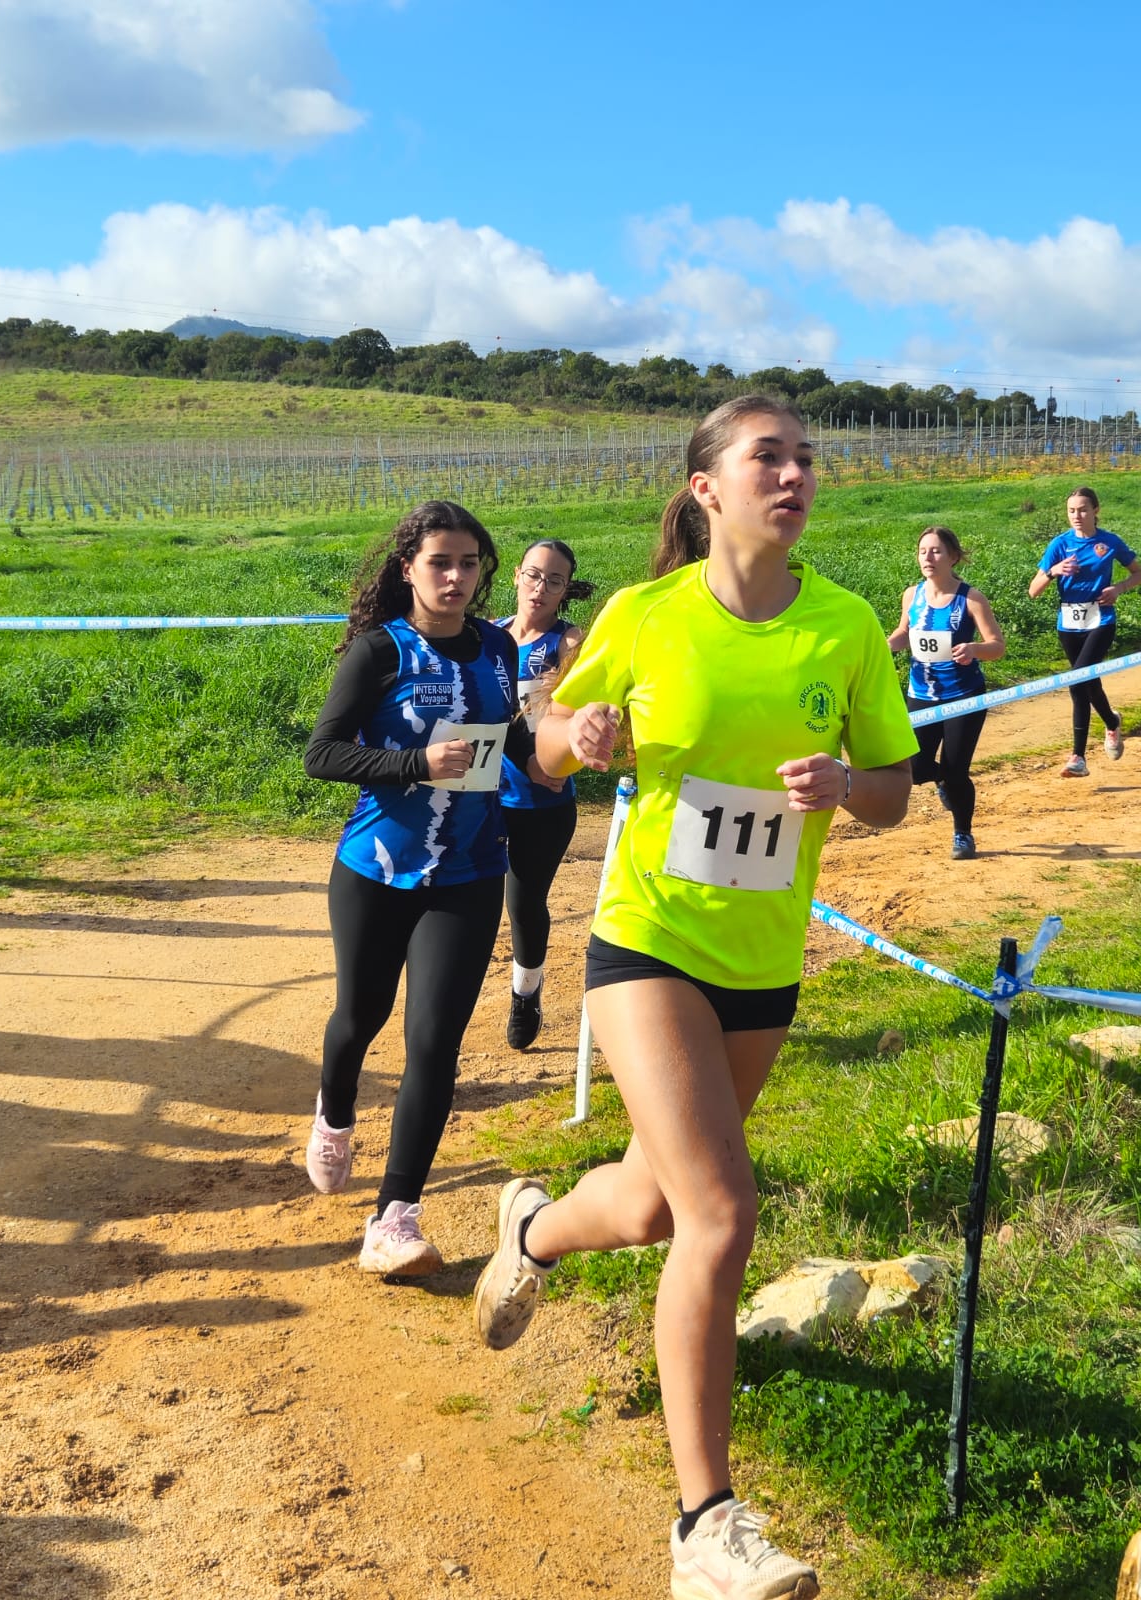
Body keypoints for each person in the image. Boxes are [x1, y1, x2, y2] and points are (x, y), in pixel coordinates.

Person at [472, 397, 917, 1600]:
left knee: (660, 1207)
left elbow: (898, 792)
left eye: (806, 459)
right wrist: (584, 730)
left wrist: (845, 785)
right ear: (706, 487)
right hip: (649, 943)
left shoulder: (845, 627)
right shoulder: (647, 614)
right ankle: (705, 1524)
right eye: (767, 456)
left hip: (764, 958)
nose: (796, 474)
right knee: (723, 1211)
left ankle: (529, 1229)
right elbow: (544, 740)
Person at [302, 499, 549, 1277]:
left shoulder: (498, 649)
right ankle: (335, 1110)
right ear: (407, 567)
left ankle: (393, 1217)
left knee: (434, 1043)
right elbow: (323, 754)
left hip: (471, 871)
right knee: (359, 1016)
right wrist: (414, 765)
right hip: (376, 868)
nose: (455, 577)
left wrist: (559, 753)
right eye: (440, 562)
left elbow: (511, 739)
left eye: (469, 564)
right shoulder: (380, 652)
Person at [495, 539, 595, 1048]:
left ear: (564, 590)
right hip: (481, 794)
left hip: (541, 800)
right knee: (471, 901)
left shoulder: (568, 643)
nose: (540, 588)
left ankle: (526, 989)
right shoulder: (487, 635)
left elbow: (581, 715)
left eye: (554, 581)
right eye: (534, 575)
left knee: (524, 902)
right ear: (517, 576)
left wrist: (560, 756)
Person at [887, 525, 1004, 860]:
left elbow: (997, 646)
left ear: (953, 557)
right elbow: (903, 632)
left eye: (936, 551)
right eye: (923, 551)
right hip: (921, 694)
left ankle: (963, 834)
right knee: (914, 767)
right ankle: (941, 780)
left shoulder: (971, 598)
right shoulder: (912, 595)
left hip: (962, 698)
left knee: (957, 771)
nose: (928, 557)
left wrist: (974, 649)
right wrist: (885, 647)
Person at [1028, 486, 1141, 777]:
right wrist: (1054, 571)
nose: (1076, 516)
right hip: (1069, 623)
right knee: (1088, 682)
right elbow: (1033, 591)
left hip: (1100, 620)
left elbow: (1137, 572)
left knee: (1078, 681)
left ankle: (1077, 757)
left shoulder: (1109, 542)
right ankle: (1112, 722)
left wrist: (1119, 588)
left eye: (1082, 510)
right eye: (1071, 510)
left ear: (1095, 511)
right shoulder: (1059, 545)